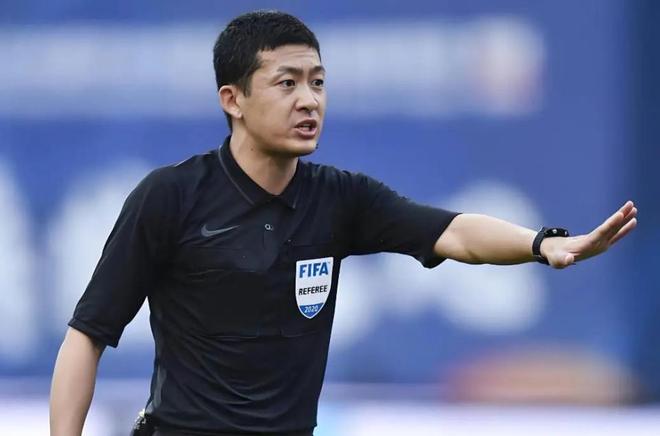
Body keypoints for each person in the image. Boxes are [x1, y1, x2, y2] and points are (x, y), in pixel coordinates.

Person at [49, 10, 638, 436]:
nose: (309, 100)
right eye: (287, 83)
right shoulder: (171, 197)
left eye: (318, 82)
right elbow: (87, 334)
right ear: (233, 99)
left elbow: (454, 232)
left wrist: (543, 244)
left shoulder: (340, 198)